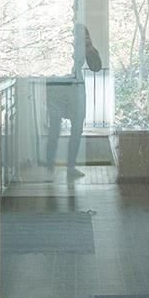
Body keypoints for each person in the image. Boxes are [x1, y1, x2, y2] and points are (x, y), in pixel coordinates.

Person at [42, 10, 102, 182]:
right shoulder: (54, 33)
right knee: (54, 128)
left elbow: (96, 67)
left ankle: (69, 166)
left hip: (74, 88)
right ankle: (49, 166)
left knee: (77, 128)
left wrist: (90, 48)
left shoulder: (81, 30)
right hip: (57, 87)